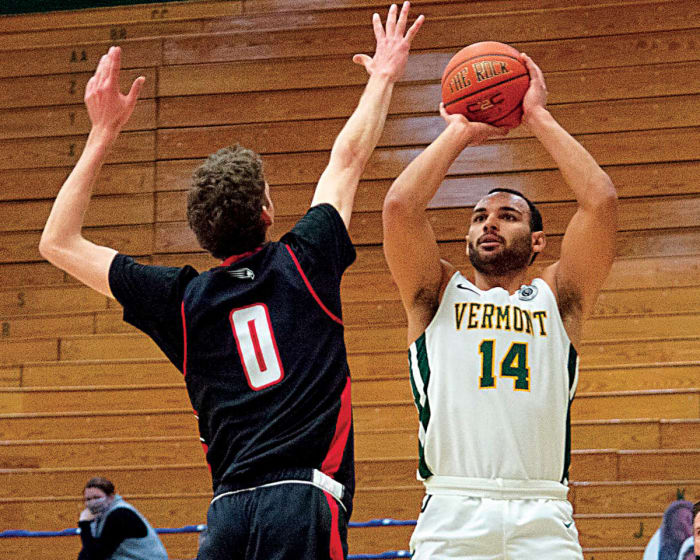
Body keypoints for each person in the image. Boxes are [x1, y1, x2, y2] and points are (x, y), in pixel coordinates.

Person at [39, 4, 423, 559]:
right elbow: (348, 156)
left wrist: (102, 133)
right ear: (266, 210)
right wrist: (384, 74)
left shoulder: (180, 299)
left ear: (200, 231)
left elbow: (57, 241)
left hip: (227, 513)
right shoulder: (305, 261)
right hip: (301, 499)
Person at [381, 52, 618, 558]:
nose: (488, 223)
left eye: (507, 216)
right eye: (478, 216)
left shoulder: (560, 297)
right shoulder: (436, 294)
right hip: (452, 508)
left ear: (536, 242)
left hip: (543, 511)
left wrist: (535, 116)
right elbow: (400, 208)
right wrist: (460, 130)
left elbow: (600, 201)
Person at [77, 477, 168, 560]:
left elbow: (96, 556)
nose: (93, 502)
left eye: (97, 497)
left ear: (111, 497)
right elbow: (88, 552)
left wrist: (84, 524)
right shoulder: (99, 516)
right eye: (88, 499)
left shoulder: (120, 515)